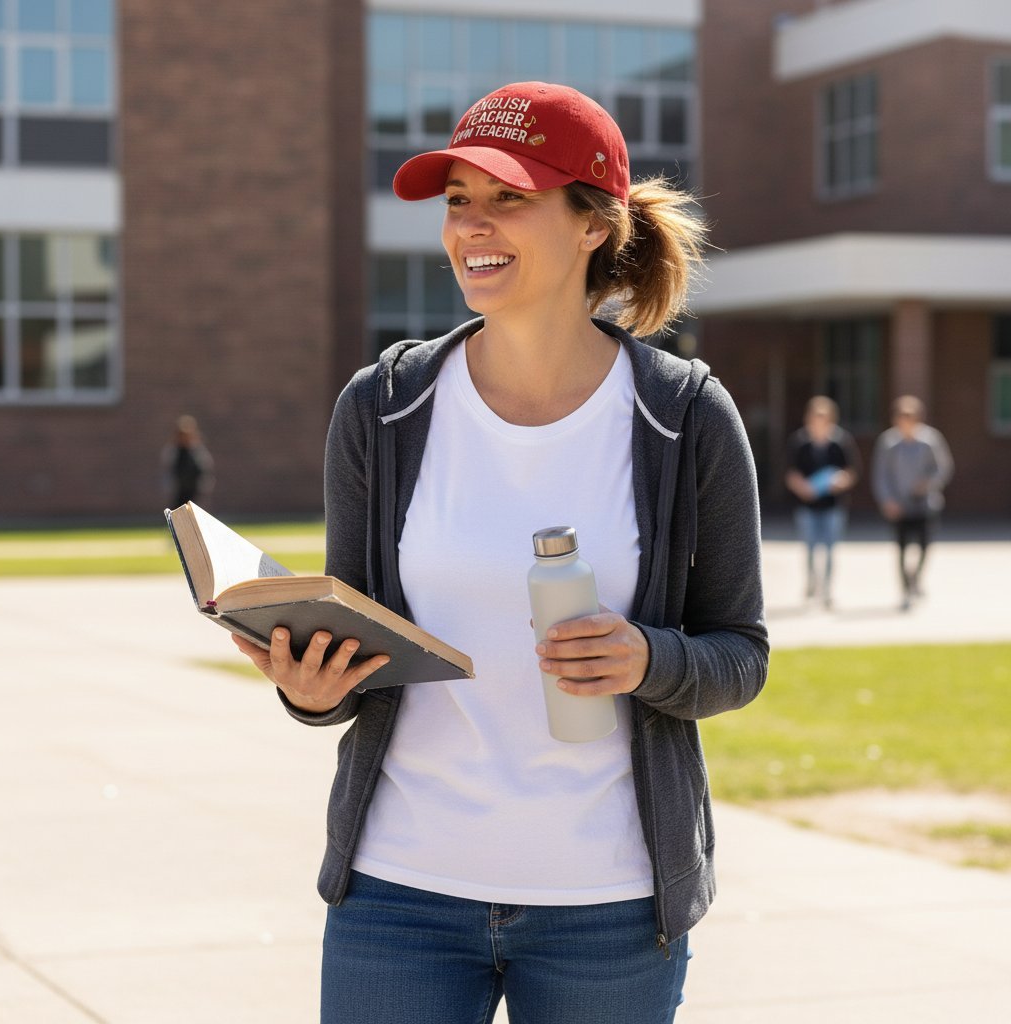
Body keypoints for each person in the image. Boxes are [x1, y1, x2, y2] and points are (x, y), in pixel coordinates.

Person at [231, 81, 769, 1024]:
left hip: (609, 905)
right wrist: (308, 688)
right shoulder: (384, 406)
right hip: (399, 894)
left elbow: (740, 654)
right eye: (457, 201)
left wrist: (650, 658)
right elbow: (358, 643)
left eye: (508, 197)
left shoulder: (682, 417)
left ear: (593, 224)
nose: (471, 226)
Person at [872, 395, 954, 610]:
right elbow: (881, 475)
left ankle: (916, 577)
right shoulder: (888, 442)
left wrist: (928, 484)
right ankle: (905, 590)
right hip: (898, 505)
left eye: (910, 416)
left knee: (925, 545)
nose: (906, 421)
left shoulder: (931, 440)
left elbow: (943, 468)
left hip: (925, 503)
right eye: (902, 416)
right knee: (901, 549)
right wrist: (887, 500)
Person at [784, 396, 861, 608]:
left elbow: (851, 472)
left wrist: (840, 482)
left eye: (824, 417)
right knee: (809, 548)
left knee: (829, 549)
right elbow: (790, 473)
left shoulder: (841, 442)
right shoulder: (799, 442)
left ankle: (827, 590)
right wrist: (802, 488)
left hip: (833, 504)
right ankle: (811, 583)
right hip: (806, 504)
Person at [161, 414, 214, 507]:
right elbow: (167, 468)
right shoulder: (174, 451)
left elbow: (204, 466)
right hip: (178, 488)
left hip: (194, 488)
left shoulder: (197, 450)